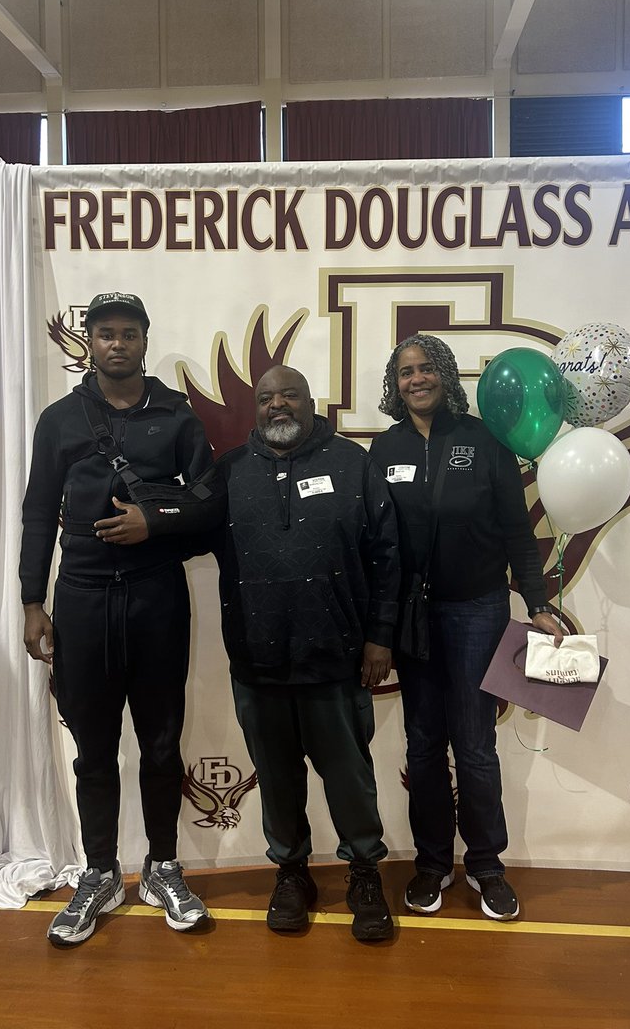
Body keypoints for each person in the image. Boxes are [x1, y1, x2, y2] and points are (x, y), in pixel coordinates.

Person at [21, 292, 216, 947]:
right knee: (94, 748)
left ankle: (163, 868)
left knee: (161, 742)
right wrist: (32, 602)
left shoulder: (177, 416)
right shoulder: (59, 420)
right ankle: (100, 873)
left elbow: (210, 503)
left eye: (129, 333)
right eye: (105, 333)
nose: (117, 344)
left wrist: (152, 521)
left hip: (157, 597)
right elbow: (36, 513)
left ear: (144, 340)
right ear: (90, 342)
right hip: (81, 599)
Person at [369, 334, 563, 923]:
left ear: (447, 376)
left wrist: (537, 601)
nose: (416, 379)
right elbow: (377, 541)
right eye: (405, 371)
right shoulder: (385, 447)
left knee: (475, 747)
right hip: (414, 618)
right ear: (395, 383)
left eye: (427, 368)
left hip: (478, 610)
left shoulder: (484, 441)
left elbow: (516, 531)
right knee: (424, 745)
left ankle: (486, 865)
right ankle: (432, 863)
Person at [215, 365, 400, 942]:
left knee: (349, 779)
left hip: (335, 658)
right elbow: (182, 527)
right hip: (257, 661)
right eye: (266, 398)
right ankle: (292, 874)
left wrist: (380, 637)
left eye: (289, 395)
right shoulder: (228, 472)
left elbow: (388, 555)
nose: (277, 405)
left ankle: (364, 873)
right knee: (276, 781)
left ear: (309, 402)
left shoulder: (352, 463)